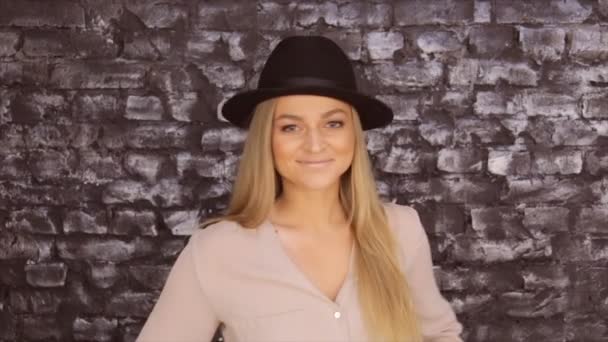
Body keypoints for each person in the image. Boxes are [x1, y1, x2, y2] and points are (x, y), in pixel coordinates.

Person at [136, 35, 463, 342]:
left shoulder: (400, 230)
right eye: (291, 127)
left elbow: (440, 335)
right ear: (268, 138)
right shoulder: (216, 251)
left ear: (354, 135)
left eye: (333, 123)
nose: (315, 144)